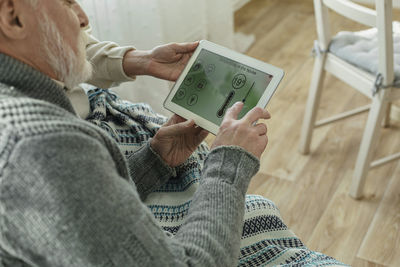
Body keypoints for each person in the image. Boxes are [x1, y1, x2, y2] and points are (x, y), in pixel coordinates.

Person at [0, 0, 346, 266]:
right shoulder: (41, 146)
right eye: (66, 2)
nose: (84, 18)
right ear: (13, 17)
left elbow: (87, 208)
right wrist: (229, 163)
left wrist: (155, 158)